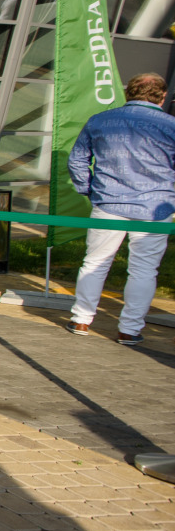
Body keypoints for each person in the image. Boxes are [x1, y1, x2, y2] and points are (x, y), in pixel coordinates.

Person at [65, 73, 175, 346]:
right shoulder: (172, 126)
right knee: (144, 271)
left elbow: (77, 161)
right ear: (162, 97)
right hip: (155, 210)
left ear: (127, 93)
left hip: (108, 203)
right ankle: (129, 329)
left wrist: (89, 191)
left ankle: (81, 319)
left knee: (94, 263)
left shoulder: (100, 120)